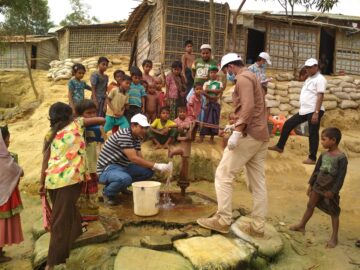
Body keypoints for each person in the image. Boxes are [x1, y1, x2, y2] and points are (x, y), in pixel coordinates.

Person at [197, 53, 269, 236]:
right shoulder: (253, 77)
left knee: (223, 174)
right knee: (258, 184)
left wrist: (238, 131)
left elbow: (248, 106)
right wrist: (235, 124)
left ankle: (222, 220)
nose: (227, 74)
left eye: (226, 70)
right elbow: (256, 108)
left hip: (249, 134)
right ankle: (258, 227)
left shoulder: (243, 78)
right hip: (261, 135)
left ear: (230, 67)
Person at [39, 102, 105, 270]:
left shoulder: (50, 134)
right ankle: (51, 264)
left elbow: (45, 160)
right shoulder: (77, 123)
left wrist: (41, 182)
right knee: (60, 221)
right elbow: (102, 119)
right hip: (70, 180)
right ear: (70, 114)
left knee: (65, 213)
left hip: (52, 180)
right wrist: (77, 117)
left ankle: (72, 241)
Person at [290, 128, 348, 248]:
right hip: (318, 186)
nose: (321, 142)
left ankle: (334, 237)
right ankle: (301, 225)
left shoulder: (341, 158)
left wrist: (333, 191)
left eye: (323, 139)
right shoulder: (323, 155)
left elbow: (340, 178)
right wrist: (311, 185)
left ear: (333, 140)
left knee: (334, 212)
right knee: (310, 206)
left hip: (329, 190)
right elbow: (316, 171)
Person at [97, 114, 172, 206]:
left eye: (146, 128)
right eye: (142, 127)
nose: (144, 131)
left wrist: (153, 167)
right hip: (107, 169)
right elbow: (134, 159)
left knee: (148, 171)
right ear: (133, 126)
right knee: (125, 179)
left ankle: (121, 187)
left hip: (122, 166)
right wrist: (157, 166)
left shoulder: (136, 137)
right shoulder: (124, 135)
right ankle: (108, 193)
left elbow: (139, 158)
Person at [268, 58, 327, 164]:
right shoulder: (310, 78)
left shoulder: (320, 79)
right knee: (288, 124)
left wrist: (316, 113)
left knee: (313, 133)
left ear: (316, 67)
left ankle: (312, 158)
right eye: (306, 68)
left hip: (314, 110)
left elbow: (320, 96)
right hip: (305, 110)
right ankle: (280, 146)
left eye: (310, 67)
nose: (308, 69)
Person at [75, 100, 103, 222]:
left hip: (91, 163)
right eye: (88, 113)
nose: (92, 115)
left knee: (91, 186)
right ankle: (79, 215)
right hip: (81, 166)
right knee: (81, 189)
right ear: (80, 115)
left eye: (94, 112)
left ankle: (91, 214)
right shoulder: (77, 125)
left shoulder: (94, 127)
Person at [0, 125, 24, 263]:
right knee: (2, 223)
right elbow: (17, 172)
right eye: (7, 138)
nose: (9, 141)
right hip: (5, 196)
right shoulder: (4, 158)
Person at [199, 65, 223, 144]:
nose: (213, 74)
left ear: (217, 74)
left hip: (216, 104)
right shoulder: (206, 83)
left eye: (215, 72)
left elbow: (220, 92)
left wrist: (210, 91)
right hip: (208, 104)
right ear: (209, 74)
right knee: (205, 120)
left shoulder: (220, 83)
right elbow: (204, 92)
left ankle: (212, 138)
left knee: (214, 121)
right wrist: (213, 95)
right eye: (211, 72)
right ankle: (202, 137)